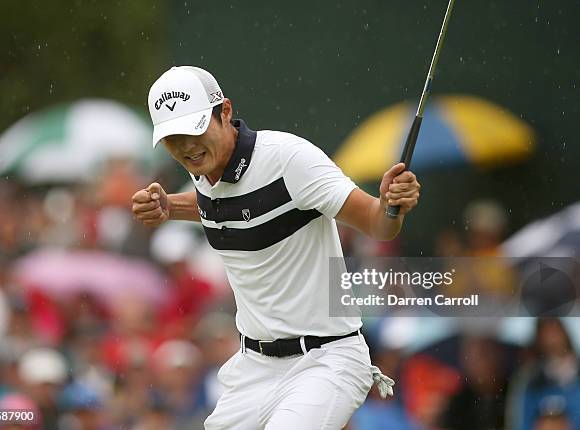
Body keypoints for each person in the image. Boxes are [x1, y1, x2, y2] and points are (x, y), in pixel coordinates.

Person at [132, 66, 421, 429]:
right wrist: (170, 206)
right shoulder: (204, 168)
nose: (186, 146)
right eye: (174, 138)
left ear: (224, 112)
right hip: (253, 368)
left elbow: (378, 224)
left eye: (194, 130)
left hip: (326, 359)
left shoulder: (289, 160)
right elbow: (227, 205)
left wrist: (391, 205)